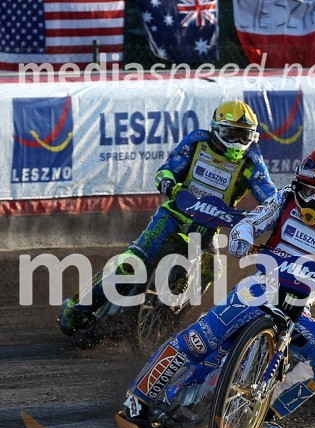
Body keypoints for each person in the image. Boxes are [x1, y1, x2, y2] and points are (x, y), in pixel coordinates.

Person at [136, 149, 315, 428]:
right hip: (259, 288)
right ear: (297, 183)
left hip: (298, 308)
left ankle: (265, 409)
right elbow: (253, 220)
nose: (312, 200)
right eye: (307, 189)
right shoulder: (283, 199)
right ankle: (140, 396)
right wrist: (242, 235)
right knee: (201, 337)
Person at [58, 100, 276, 337]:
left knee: (211, 270)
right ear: (217, 129)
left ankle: (167, 317)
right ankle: (76, 307)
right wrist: (170, 184)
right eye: (232, 133)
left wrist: (271, 215)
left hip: (210, 225)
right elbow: (167, 169)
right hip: (174, 213)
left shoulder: (252, 163)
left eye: (245, 136)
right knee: (133, 260)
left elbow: (270, 197)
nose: (237, 142)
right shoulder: (197, 142)